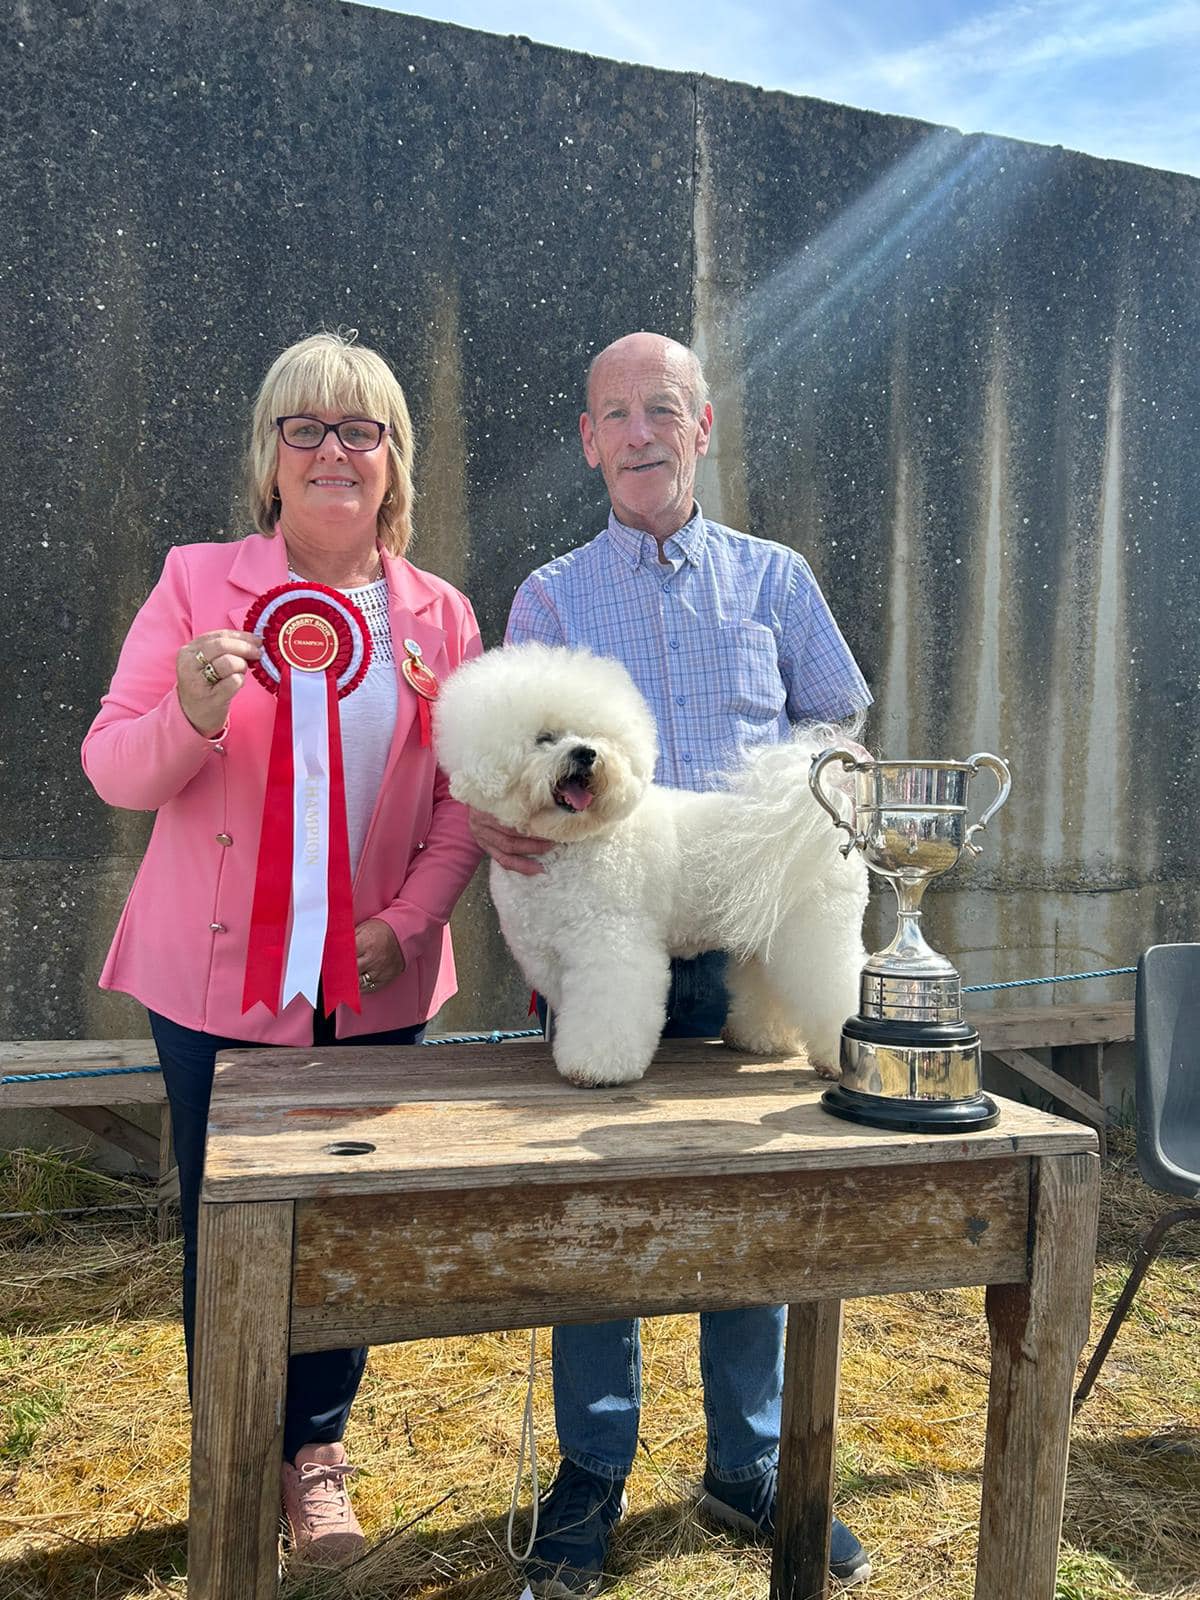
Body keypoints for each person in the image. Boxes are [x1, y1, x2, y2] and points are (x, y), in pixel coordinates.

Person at [468, 332, 873, 1597]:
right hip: (602, 937)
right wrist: (500, 818)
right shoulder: (549, 596)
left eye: (664, 409)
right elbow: (504, 756)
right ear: (588, 439)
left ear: (702, 426)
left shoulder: (776, 577)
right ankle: (592, 1471)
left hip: (751, 926)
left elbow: (838, 727)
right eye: (617, 414)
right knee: (593, 1221)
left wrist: (819, 814)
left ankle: (748, 1466)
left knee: (755, 1218)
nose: (641, 432)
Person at [82, 331, 483, 1566]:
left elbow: (466, 800)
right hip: (211, 980)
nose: (332, 451)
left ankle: (315, 1455)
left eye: (361, 429)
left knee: (342, 1225)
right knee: (229, 1225)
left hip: (376, 982)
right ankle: (233, 1448)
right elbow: (114, 767)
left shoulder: (443, 614)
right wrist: (189, 712)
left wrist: (406, 925)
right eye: (303, 427)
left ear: (395, 460)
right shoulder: (195, 582)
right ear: (269, 457)